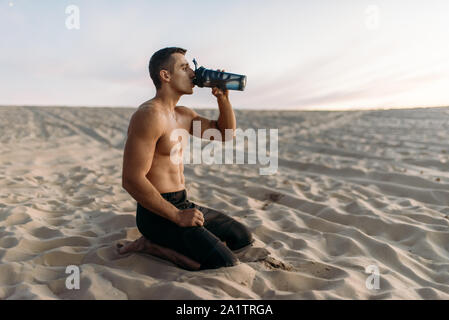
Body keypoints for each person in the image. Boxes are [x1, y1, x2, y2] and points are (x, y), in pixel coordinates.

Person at [118, 47, 254, 270]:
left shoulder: (184, 115)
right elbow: (131, 179)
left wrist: (223, 99)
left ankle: (177, 239)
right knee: (225, 263)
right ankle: (151, 245)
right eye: (184, 67)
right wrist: (177, 216)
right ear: (166, 76)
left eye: (190, 67)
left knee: (241, 237)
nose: (193, 73)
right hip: (156, 213)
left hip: (182, 202)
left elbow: (225, 134)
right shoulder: (149, 115)